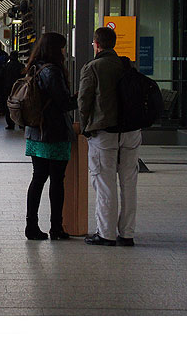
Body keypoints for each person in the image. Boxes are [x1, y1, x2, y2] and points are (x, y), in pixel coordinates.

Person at [78, 26, 141, 247]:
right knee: (129, 183)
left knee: (105, 183)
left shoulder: (93, 67)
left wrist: (84, 127)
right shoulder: (126, 64)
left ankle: (106, 234)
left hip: (105, 133)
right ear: (114, 44)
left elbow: (84, 102)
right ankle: (127, 233)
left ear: (96, 44)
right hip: (131, 132)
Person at [23, 33, 77, 241]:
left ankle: (32, 226)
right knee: (57, 180)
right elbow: (64, 103)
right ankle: (56, 227)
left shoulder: (34, 67)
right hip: (54, 134)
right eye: (62, 47)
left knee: (37, 179)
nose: (64, 51)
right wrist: (79, 98)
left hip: (35, 133)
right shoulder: (53, 71)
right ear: (56, 49)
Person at [1, 50, 24, 130]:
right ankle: (21, 123)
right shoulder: (21, 66)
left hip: (8, 88)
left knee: (9, 105)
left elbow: (1, 76)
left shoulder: (6, 66)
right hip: (19, 89)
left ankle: (10, 124)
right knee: (20, 105)